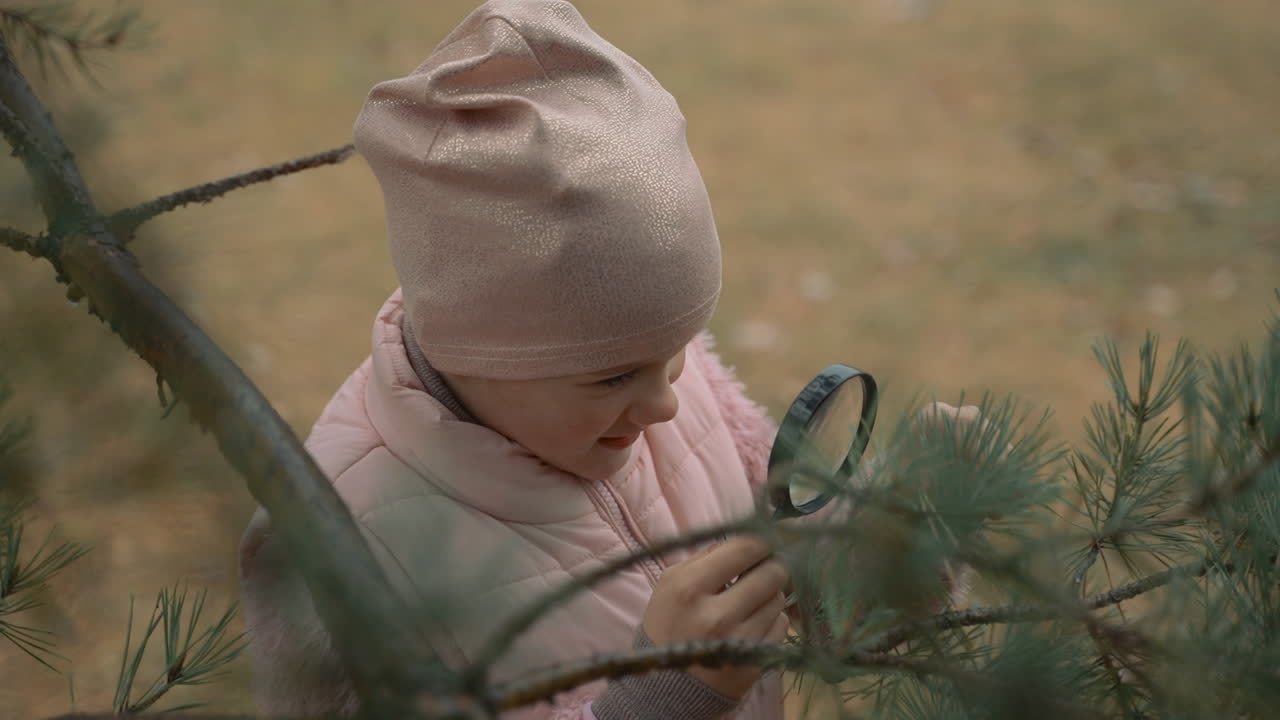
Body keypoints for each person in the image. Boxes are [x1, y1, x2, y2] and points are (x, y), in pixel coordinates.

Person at [239, 1, 793, 717]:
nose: (667, 404)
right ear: (478, 352)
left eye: (676, 348)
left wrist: (880, 543)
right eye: (614, 375)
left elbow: (798, 543)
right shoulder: (337, 552)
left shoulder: (656, 380)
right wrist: (660, 702)